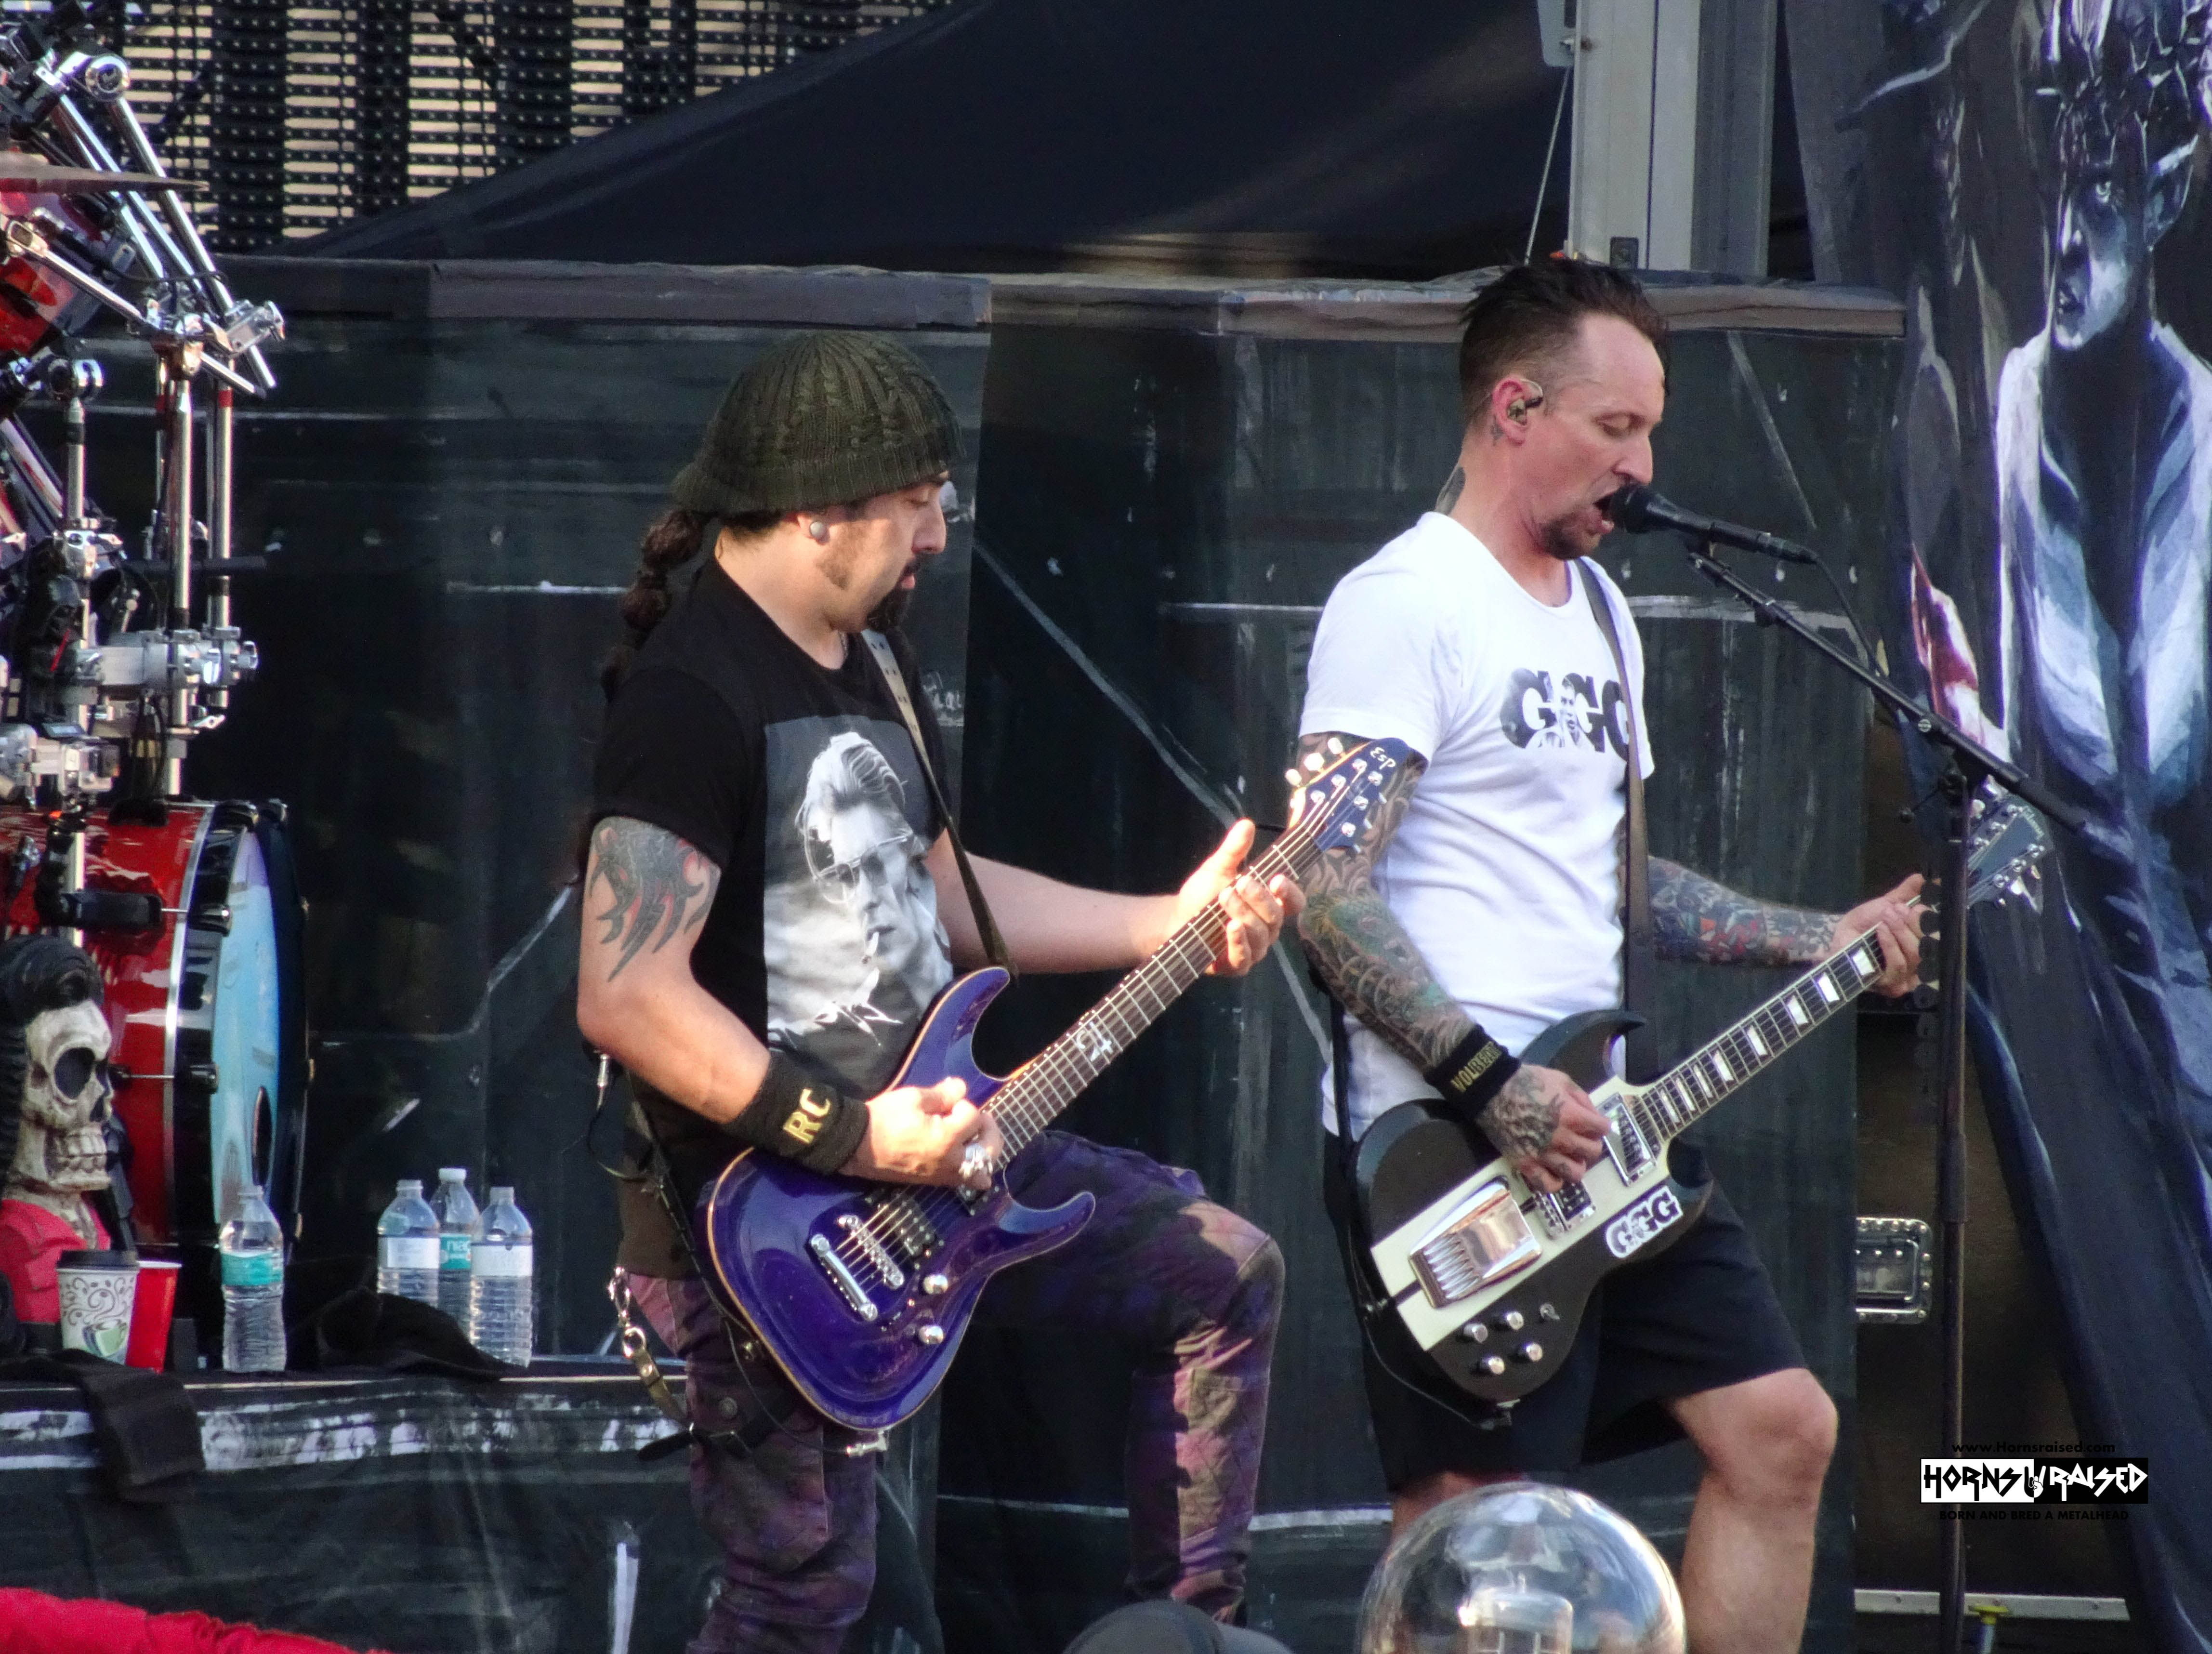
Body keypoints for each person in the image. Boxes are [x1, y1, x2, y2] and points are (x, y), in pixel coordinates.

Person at [576, 331, 1300, 1654]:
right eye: (915, 502)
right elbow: (628, 996)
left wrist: (1171, 925)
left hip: (942, 1164)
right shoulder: (691, 693)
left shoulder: (873, 659)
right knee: (803, 1598)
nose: (937, 535)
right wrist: (857, 1136)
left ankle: (1190, 1641)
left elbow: (939, 892)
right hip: (762, 1226)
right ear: (816, 504)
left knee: (1219, 1272)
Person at [1293, 260, 1924, 1654]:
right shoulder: (1405, 601)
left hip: (1607, 1136)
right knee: (1476, 1526)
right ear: (1515, 408)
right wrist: (1492, 1083)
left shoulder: (1600, 612)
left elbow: (1619, 882)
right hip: (1454, 1152)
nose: (1642, 468)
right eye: (1615, 428)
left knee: (1782, 1430)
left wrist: (1816, 939)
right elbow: (1321, 888)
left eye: (1653, 432)